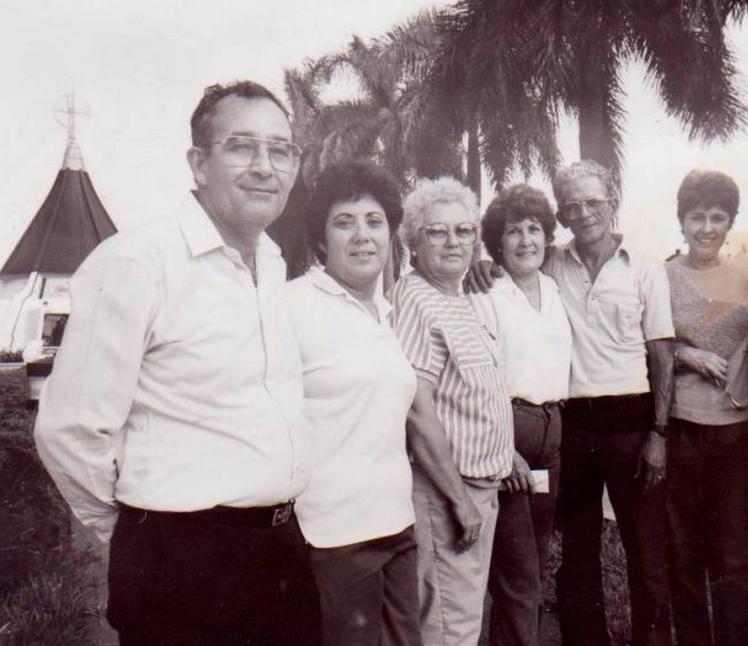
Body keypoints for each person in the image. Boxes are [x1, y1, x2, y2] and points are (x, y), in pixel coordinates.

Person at [34, 81, 321, 645]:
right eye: (241, 146)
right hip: (180, 566)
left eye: (280, 149)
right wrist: (138, 531)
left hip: (281, 551)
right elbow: (70, 431)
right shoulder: (138, 262)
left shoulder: (270, 260)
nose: (265, 166)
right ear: (199, 163)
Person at [471, 160, 676, 645]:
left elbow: (663, 355)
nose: (584, 213)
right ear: (562, 215)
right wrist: (480, 264)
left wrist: (659, 434)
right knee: (577, 554)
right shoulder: (552, 263)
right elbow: (509, 261)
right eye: (573, 206)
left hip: (633, 423)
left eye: (594, 202)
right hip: (574, 427)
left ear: (612, 202)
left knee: (646, 554)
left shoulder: (645, 269)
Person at [287, 161, 420, 645]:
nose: (362, 236)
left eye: (374, 221)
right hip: (332, 536)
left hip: (397, 523)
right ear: (321, 240)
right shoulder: (293, 306)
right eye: (345, 222)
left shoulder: (386, 312)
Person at [392, 176, 515, 645]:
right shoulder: (418, 300)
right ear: (413, 243)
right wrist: (459, 501)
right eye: (436, 232)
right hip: (446, 493)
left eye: (463, 231)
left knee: (461, 620)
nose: (453, 242)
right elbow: (417, 411)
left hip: (477, 488)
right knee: (447, 627)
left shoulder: (457, 297)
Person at [469, 184, 572, 646]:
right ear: (497, 241)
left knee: (535, 560)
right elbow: (477, 375)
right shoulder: (486, 290)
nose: (526, 240)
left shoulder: (551, 288)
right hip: (509, 438)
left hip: (550, 439)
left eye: (534, 229)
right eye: (514, 231)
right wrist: (502, 447)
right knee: (518, 574)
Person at [664, 170, 748, 646]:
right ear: (681, 221)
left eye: (717, 218)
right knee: (682, 558)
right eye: (696, 217)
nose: (706, 227)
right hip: (679, 430)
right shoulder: (662, 275)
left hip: (737, 435)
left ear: (731, 222)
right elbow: (649, 344)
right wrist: (688, 354)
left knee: (733, 560)